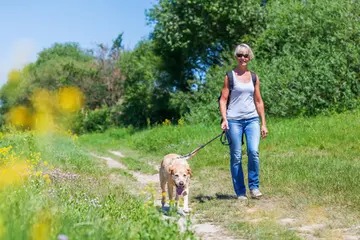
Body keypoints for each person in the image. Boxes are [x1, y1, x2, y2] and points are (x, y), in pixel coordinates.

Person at [219, 43, 268, 200]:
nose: (243, 58)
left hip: (252, 119)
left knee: (253, 152)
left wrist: (263, 123)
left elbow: (259, 101)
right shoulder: (230, 76)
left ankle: (254, 187)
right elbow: (223, 99)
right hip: (234, 120)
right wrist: (225, 119)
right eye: (240, 55)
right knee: (237, 156)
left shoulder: (254, 77)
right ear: (236, 57)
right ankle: (240, 192)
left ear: (250, 57)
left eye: (246, 55)